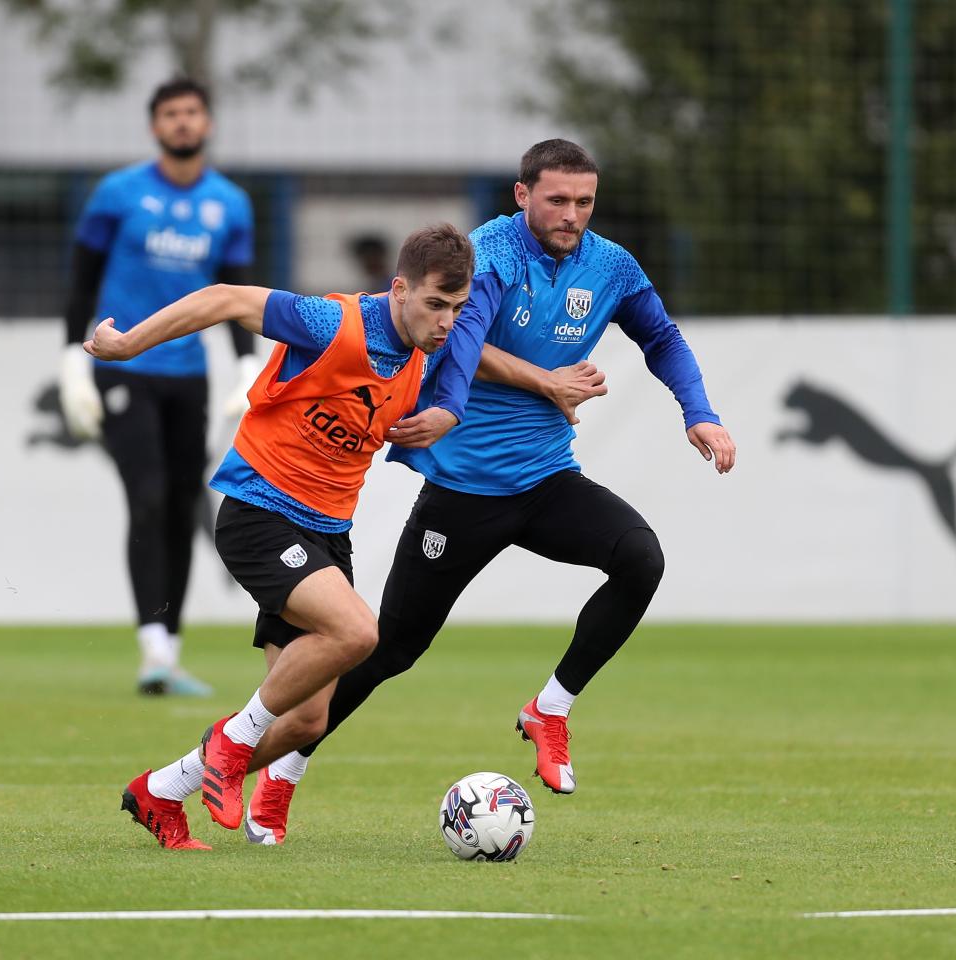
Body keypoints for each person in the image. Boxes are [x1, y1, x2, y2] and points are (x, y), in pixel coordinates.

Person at [238, 138, 737, 846]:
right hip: (463, 493)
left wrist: (701, 413)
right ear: (521, 195)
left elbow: (661, 337)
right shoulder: (488, 256)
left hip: (545, 478)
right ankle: (280, 775)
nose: (571, 215)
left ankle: (550, 710)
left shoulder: (611, 265)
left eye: (584, 202)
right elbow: (456, 343)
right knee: (388, 649)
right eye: (557, 199)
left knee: (639, 558)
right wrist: (538, 383)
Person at [84, 223, 478, 850]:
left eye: (457, 309)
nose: (447, 321)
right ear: (399, 289)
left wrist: (472, 406)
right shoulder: (333, 323)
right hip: (259, 513)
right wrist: (128, 345)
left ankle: (160, 790)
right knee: (357, 633)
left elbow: (479, 360)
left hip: (327, 533)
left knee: (307, 720)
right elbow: (224, 298)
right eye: (435, 304)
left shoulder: (427, 352)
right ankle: (232, 741)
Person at [59, 77, 262, 697]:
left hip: (188, 375)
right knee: (145, 495)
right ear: (155, 126)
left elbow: (233, 289)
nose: (182, 123)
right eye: (170, 114)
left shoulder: (229, 204)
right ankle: (152, 648)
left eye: (192, 113)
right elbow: (82, 280)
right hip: (121, 366)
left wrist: (247, 361)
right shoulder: (117, 194)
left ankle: (166, 653)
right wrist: (72, 357)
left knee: (180, 503)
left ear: (207, 124)